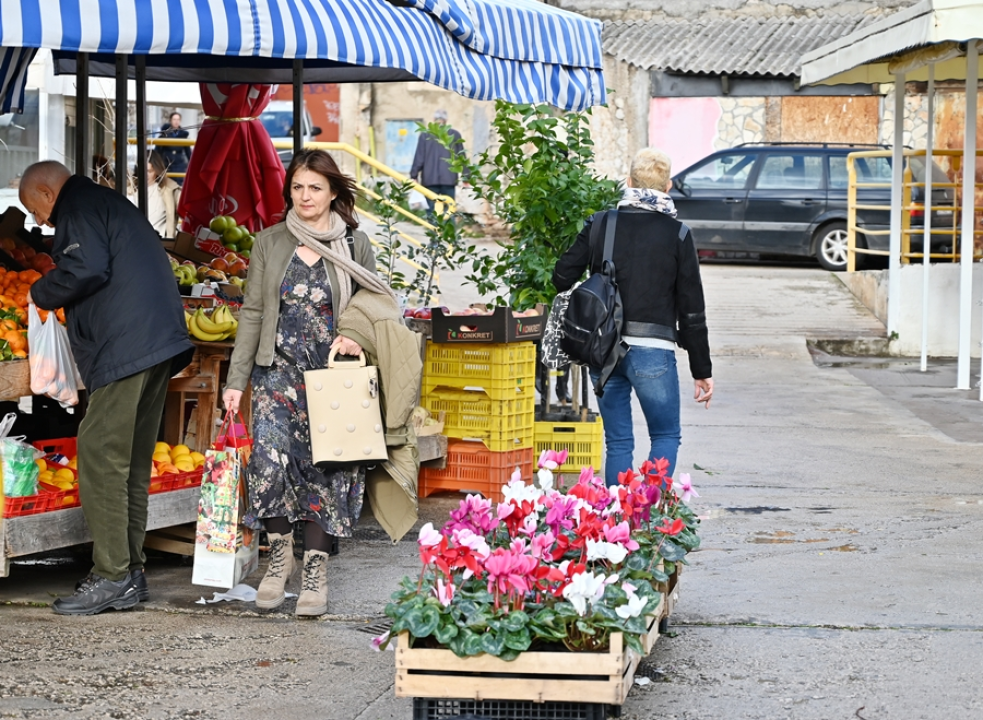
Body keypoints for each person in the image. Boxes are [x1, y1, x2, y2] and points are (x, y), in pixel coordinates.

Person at [222, 149, 403, 617]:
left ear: (333, 193)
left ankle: (316, 569)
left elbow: (375, 303)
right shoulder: (269, 241)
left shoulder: (355, 245)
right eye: (298, 187)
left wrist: (355, 334)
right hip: (276, 371)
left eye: (315, 188)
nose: (305, 196)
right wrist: (236, 379)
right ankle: (280, 557)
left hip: (331, 376)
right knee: (269, 461)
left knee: (328, 468)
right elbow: (254, 312)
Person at [20, 160, 194, 615]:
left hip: (129, 345)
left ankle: (111, 576)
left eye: (33, 209)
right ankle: (130, 572)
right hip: (157, 342)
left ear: (44, 191)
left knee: (97, 450)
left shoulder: (77, 205)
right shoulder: (105, 201)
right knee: (131, 460)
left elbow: (86, 266)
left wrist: (40, 293)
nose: (38, 221)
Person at [553, 148, 714, 484]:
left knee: (619, 442)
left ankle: (615, 528)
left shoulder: (601, 223)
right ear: (668, 186)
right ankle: (650, 520)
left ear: (628, 182)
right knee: (665, 435)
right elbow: (692, 308)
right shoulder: (678, 234)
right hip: (654, 351)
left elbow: (561, 276)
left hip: (604, 348)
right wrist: (702, 370)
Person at [409, 109, 464, 212]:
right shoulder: (455, 135)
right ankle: (448, 228)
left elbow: (419, 157)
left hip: (429, 179)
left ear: (434, 119)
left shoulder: (425, 135)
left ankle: (433, 228)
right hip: (449, 179)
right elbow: (461, 157)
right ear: (446, 120)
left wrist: (414, 175)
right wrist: (467, 176)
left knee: (431, 209)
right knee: (449, 209)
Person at [131, 151, 181, 237]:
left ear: (156, 171)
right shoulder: (130, 191)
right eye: (142, 171)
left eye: (149, 171)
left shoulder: (169, 190)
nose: (145, 175)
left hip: (159, 241)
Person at [157, 112, 191, 185]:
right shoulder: (164, 134)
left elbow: (189, 153)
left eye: (178, 119)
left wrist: (192, 164)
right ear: (170, 120)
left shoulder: (183, 135)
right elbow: (158, 151)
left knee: (179, 185)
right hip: (167, 163)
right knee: (167, 185)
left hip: (179, 164)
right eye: (174, 119)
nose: (176, 121)